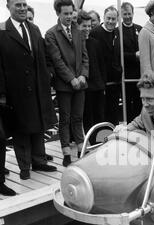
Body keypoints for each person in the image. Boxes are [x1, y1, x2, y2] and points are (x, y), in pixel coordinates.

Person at [0, 0, 57, 180]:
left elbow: (44, 56)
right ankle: (24, 167)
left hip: (38, 89)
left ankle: (39, 161)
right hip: (15, 91)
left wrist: (48, 75)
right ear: (8, 7)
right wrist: (2, 93)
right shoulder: (2, 31)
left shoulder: (34, 29)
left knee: (39, 126)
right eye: (18, 5)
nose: (23, 8)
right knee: (21, 130)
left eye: (25, 5)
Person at [45, 0, 89, 167]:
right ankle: (65, 152)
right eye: (66, 14)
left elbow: (85, 57)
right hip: (64, 84)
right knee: (65, 119)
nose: (70, 17)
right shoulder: (51, 34)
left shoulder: (78, 31)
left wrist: (84, 75)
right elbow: (57, 61)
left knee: (78, 117)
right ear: (58, 14)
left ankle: (80, 147)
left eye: (71, 13)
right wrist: (71, 79)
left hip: (81, 83)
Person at [78, 11, 106, 144]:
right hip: (85, 87)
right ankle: (92, 142)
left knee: (99, 115)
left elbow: (102, 65)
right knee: (88, 117)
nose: (88, 29)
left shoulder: (95, 43)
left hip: (98, 85)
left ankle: (100, 141)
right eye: (85, 26)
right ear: (78, 26)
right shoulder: (76, 44)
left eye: (90, 26)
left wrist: (103, 84)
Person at [90, 6, 122, 125]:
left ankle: (114, 138)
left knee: (113, 114)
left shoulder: (118, 32)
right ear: (104, 17)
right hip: (101, 82)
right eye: (108, 18)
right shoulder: (95, 33)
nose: (111, 21)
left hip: (115, 82)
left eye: (113, 19)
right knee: (101, 115)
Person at [121, 2, 142, 122]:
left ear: (133, 13)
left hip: (139, 74)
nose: (128, 16)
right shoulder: (118, 31)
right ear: (121, 15)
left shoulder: (140, 29)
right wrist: (134, 55)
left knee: (140, 103)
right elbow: (118, 54)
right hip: (126, 75)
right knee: (127, 104)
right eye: (125, 14)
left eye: (129, 13)